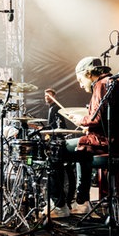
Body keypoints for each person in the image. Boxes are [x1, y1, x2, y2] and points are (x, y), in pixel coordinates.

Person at [65, 56, 119, 214]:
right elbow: (108, 119)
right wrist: (90, 128)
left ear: (89, 74)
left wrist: (81, 120)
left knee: (59, 149)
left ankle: (62, 204)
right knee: (81, 149)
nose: (80, 84)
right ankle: (81, 200)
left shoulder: (101, 85)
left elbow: (96, 118)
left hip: (110, 143)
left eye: (80, 80)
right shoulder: (117, 84)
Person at [42, 88, 75, 218]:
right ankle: (64, 203)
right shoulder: (52, 108)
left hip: (58, 143)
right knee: (60, 171)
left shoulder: (55, 108)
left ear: (55, 96)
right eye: (45, 95)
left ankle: (59, 204)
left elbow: (57, 127)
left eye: (49, 95)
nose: (47, 97)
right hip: (58, 141)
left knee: (56, 169)